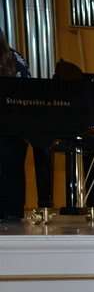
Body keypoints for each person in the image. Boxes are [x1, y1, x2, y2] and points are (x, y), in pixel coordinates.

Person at [0, 30, 31, 220]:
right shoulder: (15, 57)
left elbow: (27, 92)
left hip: (13, 129)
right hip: (14, 128)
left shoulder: (15, 59)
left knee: (11, 173)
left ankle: (12, 215)